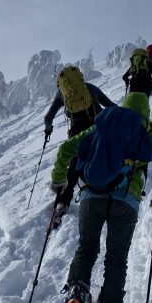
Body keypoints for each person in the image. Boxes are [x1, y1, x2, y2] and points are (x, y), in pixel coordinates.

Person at [48, 92, 152, 303]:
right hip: (126, 201)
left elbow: (67, 148)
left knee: (86, 247)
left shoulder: (104, 121)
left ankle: (76, 296)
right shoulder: (149, 131)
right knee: (116, 258)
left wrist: (59, 180)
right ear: (146, 111)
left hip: (91, 196)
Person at [43, 65, 117, 228]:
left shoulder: (62, 95)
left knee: (74, 167)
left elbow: (48, 117)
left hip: (76, 135)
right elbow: (112, 107)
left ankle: (63, 203)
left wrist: (48, 129)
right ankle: (109, 194)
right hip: (97, 130)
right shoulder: (90, 89)